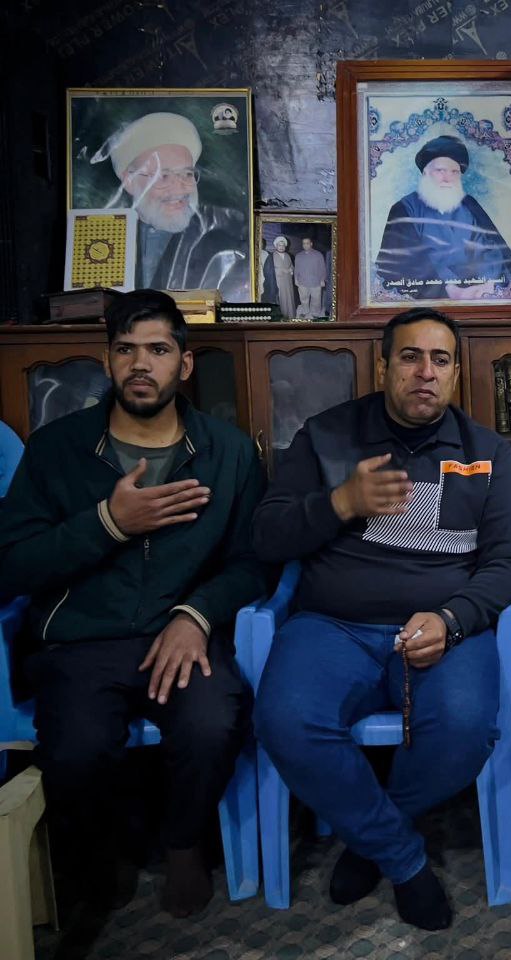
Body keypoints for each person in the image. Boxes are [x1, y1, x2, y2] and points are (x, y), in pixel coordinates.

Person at [251, 308, 511, 931]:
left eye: (439, 360)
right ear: (383, 366)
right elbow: (266, 537)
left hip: (442, 627)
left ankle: (369, 838)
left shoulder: (487, 453)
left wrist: (454, 619)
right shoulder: (326, 437)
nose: (424, 372)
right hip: (333, 625)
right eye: (410, 357)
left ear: (455, 374)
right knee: (285, 720)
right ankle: (404, 859)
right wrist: (341, 502)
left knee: (464, 728)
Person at [0, 289, 267, 917]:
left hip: (181, 631)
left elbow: (255, 563)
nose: (141, 364)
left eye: (158, 350)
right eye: (126, 350)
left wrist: (196, 614)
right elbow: (12, 565)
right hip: (79, 639)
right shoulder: (56, 448)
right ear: (107, 361)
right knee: (76, 749)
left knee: (213, 724)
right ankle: (107, 853)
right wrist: (109, 523)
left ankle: (183, 843)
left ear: (185, 363)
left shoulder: (228, 452)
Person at [106, 112, 250, 299]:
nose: (179, 188)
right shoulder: (107, 235)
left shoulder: (227, 235)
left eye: (187, 174)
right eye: (163, 176)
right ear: (129, 181)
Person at [374, 135, 511, 301]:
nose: (448, 178)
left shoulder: (469, 205)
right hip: (432, 300)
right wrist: (450, 288)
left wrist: (488, 283)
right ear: (425, 173)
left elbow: (494, 250)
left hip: (478, 295)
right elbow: (402, 264)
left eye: (454, 172)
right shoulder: (405, 208)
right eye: (440, 171)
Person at [293, 236, 328, 318]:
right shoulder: (298, 255)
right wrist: (296, 279)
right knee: (303, 298)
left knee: (316, 299)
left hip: (315, 282)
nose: (305, 245)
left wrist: (322, 279)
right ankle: (305, 310)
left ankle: (315, 312)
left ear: (311, 244)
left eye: (307, 243)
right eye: (304, 243)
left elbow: (323, 268)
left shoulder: (318, 254)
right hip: (302, 282)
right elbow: (296, 269)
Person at [264, 235, 298, 319]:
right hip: (278, 282)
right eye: (279, 245)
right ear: (276, 246)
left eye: (283, 245)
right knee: (281, 300)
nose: (281, 247)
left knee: (290, 298)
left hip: (288, 282)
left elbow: (292, 266)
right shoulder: (271, 256)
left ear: (285, 247)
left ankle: (291, 315)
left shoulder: (288, 255)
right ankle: (283, 316)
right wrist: (281, 270)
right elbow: (267, 271)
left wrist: (291, 270)